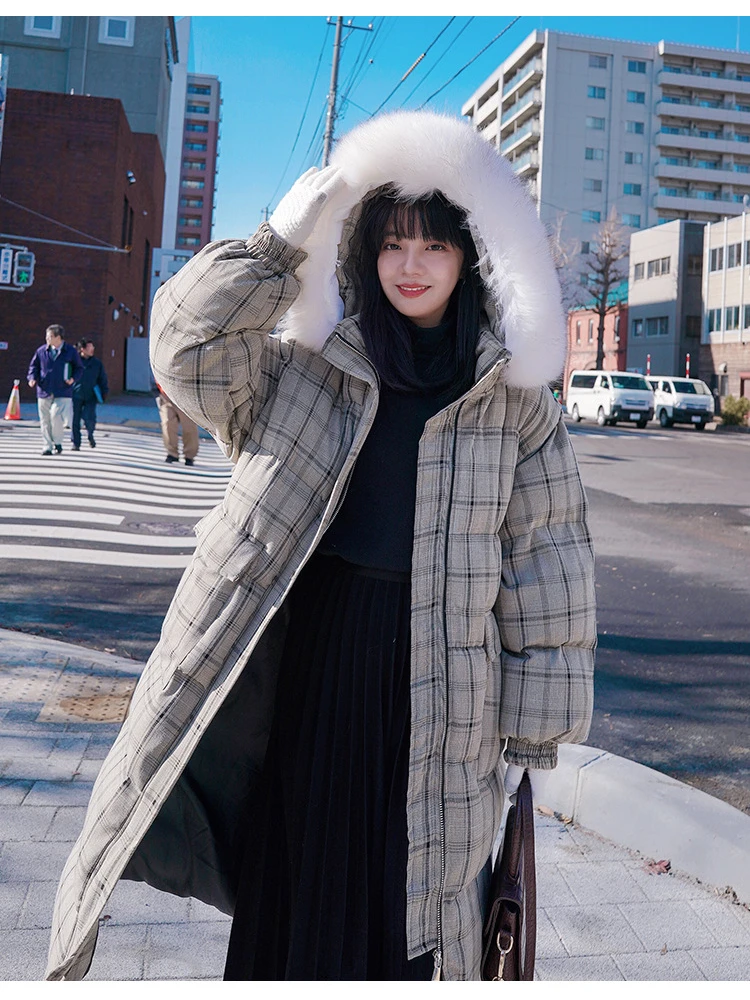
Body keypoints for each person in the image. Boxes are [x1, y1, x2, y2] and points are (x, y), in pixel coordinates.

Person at [45, 110, 596, 982]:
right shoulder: (308, 365)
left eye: (434, 246)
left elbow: (546, 558)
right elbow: (185, 352)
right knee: (302, 870)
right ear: (364, 252)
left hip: (443, 681)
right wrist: (274, 248)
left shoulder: (512, 399)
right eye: (392, 244)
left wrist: (536, 730)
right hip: (319, 659)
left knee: (416, 891)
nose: (410, 266)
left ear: (471, 257)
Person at [27, 324, 82, 455]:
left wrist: (73, 379)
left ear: (59, 337)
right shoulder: (41, 351)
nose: (47, 339)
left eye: (50, 336)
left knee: (55, 415)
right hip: (44, 390)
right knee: (44, 419)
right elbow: (33, 367)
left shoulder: (70, 351)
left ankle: (57, 441)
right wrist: (32, 378)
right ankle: (47, 446)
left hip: (63, 390)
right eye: (47, 336)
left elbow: (79, 368)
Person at [71, 338, 109, 450]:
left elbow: (102, 379)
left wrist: (104, 392)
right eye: (89, 347)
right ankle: (76, 443)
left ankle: (90, 435)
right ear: (82, 349)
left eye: (92, 347)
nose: (92, 349)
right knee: (75, 419)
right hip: (76, 393)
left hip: (91, 395)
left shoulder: (97, 363)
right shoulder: (74, 362)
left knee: (89, 417)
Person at [153, 381, 200, 465]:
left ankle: (189, 456)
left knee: (189, 426)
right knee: (168, 424)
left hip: (186, 396)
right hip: (166, 395)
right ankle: (172, 453)